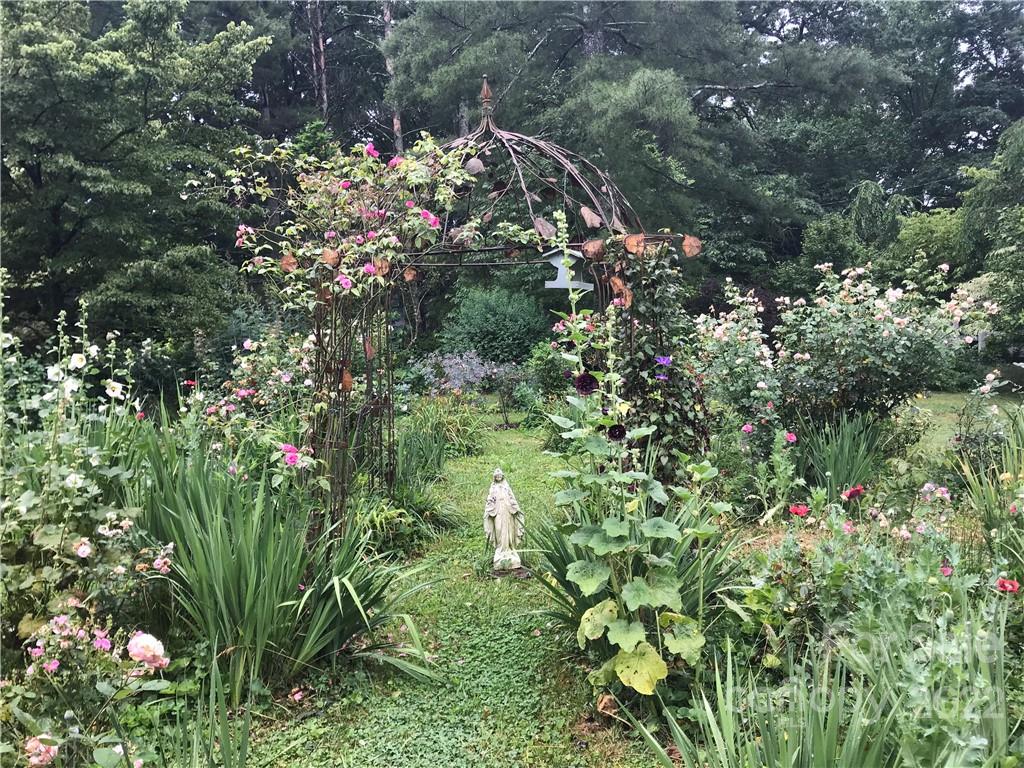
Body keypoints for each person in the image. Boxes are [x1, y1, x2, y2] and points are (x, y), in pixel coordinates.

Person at [484, 468, 524, 570]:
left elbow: (512, 498)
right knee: (499, 530)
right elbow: (490, 500)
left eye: (500, 476)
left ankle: (509, 550)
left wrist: (515, 507)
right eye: (497, 476)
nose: (498, 477)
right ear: (494, 478)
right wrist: (489, 507)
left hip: (507, 512)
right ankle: (500, 550)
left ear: (502, 476)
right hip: (498, 512)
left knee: (508, 530)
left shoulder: (506, 487)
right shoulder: (493, 488)